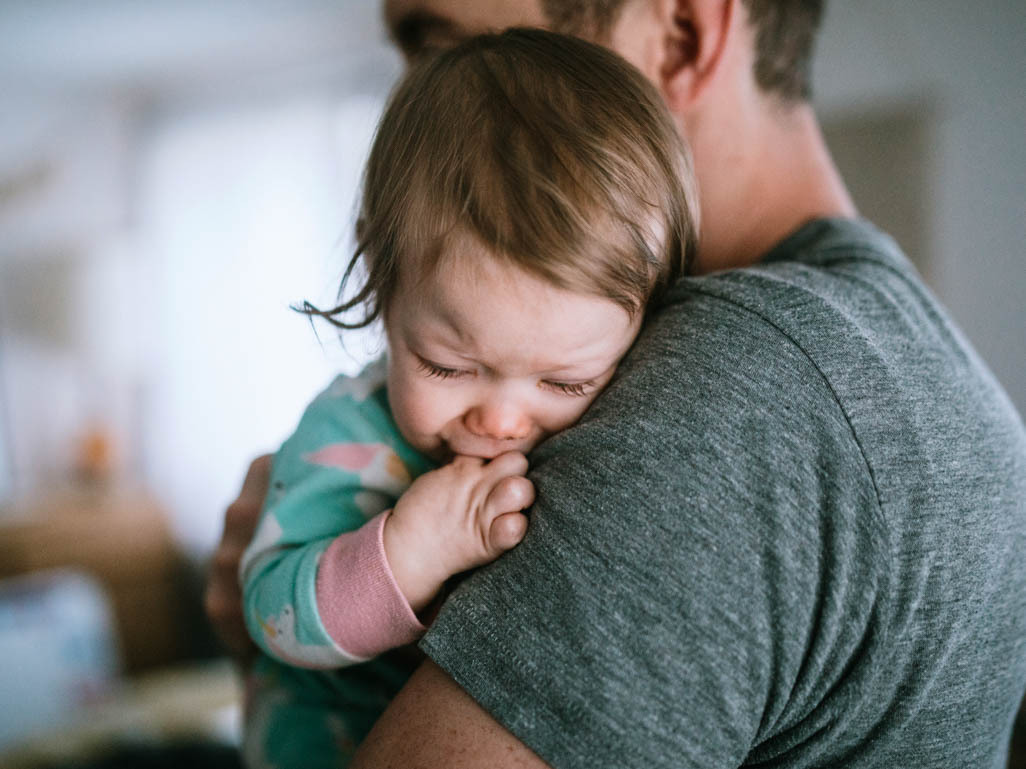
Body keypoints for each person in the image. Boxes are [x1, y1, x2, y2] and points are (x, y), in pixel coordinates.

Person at [205, 1, 1026, 766]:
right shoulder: (930, 363)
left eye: (450, 56)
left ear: (678, 38)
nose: (418, 123)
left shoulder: (746, 383)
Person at [236, 29, 699, 769]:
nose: (505, 419)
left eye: (565, 382)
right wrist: (410, 549)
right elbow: (267, 611)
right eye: (449, 366)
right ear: (383, 287)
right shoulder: (347, 432)